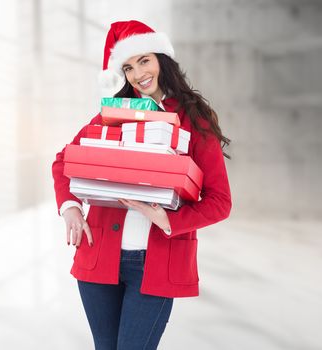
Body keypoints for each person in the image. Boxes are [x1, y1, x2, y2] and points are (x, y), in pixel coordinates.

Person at [51, 20, 232, 350]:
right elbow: (63, 161)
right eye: (128, 67)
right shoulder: (112, 114)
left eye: (144, 60)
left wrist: (168, 220)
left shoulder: (195, 118)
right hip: (99, 256)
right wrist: (70, 207)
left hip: (156, 262)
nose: (138, 73)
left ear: (162, 58)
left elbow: (220, 201)